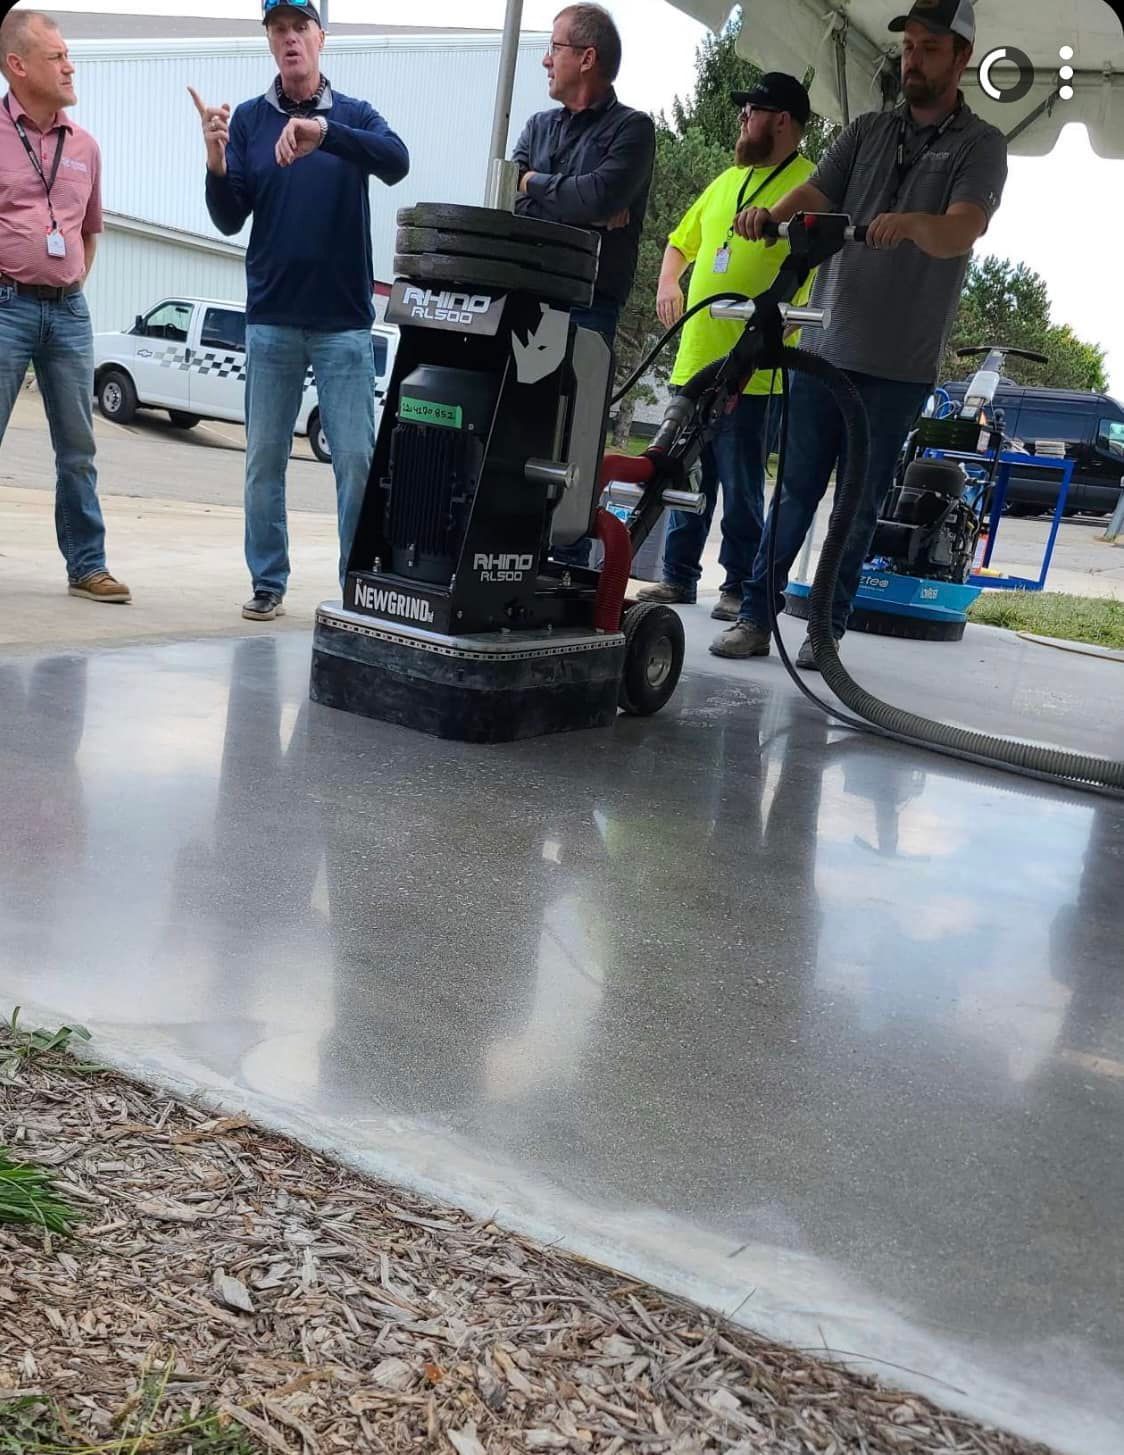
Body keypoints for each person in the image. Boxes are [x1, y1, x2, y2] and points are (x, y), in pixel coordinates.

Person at [711, 0, 1007, 668]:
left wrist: (912, 224)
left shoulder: (979, 145)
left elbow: (965, 226)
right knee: (794, 492)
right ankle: (757, 616)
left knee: (859, 502)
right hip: (825, 346)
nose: (913, 60)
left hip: (898, 363)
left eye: (930, 49)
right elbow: (816, 193)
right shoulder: (868, 130)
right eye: (908, 48)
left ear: (961, 58)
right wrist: (768, 213)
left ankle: (825, 630)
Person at [192, 0, 408, 622]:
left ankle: (357, 586)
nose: (289, 40)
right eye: (277, 30)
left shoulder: (355, 116)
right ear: (269, 41)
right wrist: (215, 160)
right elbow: (230, 215)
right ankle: (267, 581)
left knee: (357, 462)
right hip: (272, 320)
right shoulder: (251, 122)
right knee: (263, 457)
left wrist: (324, 133)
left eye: (300, 28)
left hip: (343, 322)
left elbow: (397, 162)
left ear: (322, 37)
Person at [638, 74, 816, 623]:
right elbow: (679, 240)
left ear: (782, 120)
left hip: (751, 372)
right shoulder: (725, 181)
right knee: (683, 477)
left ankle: (738, 585)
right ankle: (677, 577)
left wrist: (774, 336)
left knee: (740, 488)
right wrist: (669, 282)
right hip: (694, 360)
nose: (743, 119)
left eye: (753, 111)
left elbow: (816, 270)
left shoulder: (809, 185)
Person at [0, 10, 130, 605]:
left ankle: (87, 565)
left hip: (69, 313)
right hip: (6, 306)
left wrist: (66, 284)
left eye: (68, 54)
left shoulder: (87, 148)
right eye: (56, 57)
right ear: (17, 65)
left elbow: (90, 232)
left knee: (78, 449)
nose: (70, 65)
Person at [512, 3, 656, 346]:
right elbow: (510, 203)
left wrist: (531, 181)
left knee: (576, 399)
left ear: (587, 58)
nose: (545, 60)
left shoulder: (634, 129)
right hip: (524, 298)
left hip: (589, 307)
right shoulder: (537, 126)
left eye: (554, 48)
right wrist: (584, 212)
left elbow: (597, 198)